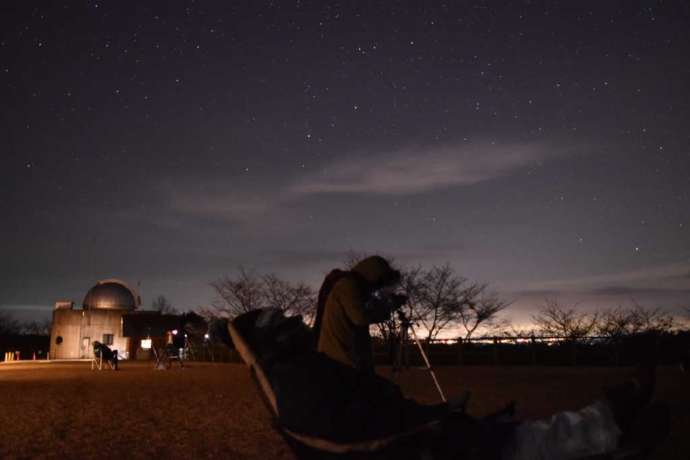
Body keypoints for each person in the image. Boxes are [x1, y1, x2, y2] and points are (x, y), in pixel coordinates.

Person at [243, 308, 670, 460]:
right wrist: (432, 425)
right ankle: (605, 424)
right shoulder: (300, 385)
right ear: (273, 340)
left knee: (502, 435)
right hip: (410, 443)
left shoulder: (305, 372)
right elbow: (351, 437)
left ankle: (604, 421)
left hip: (408, 431)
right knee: (508, 442)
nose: (297, 321)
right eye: (284, 323)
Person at [314, 255, 406, 373]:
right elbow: (360, 317)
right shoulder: (348, 286)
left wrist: (387, 302)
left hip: (346, 358)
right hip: (341, 360)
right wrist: (388, 307)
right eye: (379, 282)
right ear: (372, 276)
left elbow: (366, 308)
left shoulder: (355, 287)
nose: (377, 287)